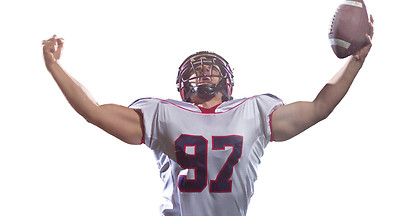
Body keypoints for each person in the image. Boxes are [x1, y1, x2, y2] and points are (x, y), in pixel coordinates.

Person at [42, 17, 373, 216]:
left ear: (226, 81)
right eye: (197, 71)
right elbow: (94, 112)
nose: (203, 74)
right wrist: (55, 67)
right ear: (183, 85)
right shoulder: (162, 113)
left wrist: (355, 61)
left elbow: (319, 108)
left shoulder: (254, 111)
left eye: (210, 70)